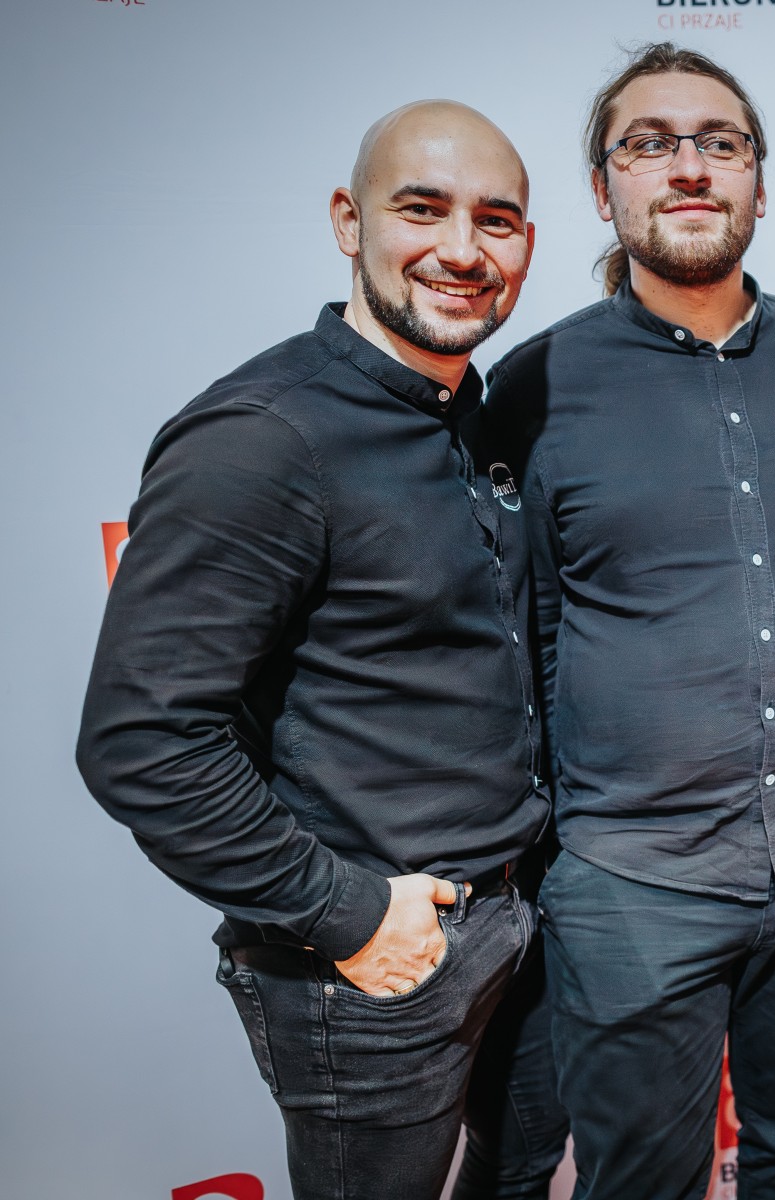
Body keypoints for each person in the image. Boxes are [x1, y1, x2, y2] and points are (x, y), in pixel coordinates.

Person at [75, 101, 568, 1200]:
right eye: (422, 209)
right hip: (371, 969)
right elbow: (141, 742)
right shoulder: (263, 437)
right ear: (350, 221)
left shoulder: (478, 416)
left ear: (528, 244)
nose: (462, 249)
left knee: (520, 1176)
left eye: (496, 220)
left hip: (520, 923)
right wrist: (353, 918)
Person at [480, 45, 775, 1200]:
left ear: (759, 182)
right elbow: (520, 631)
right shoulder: (535, 385)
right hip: (634, 881)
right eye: (650, 144)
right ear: (603, 186)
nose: (689, 167)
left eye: (720, 143)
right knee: (640, 1182)